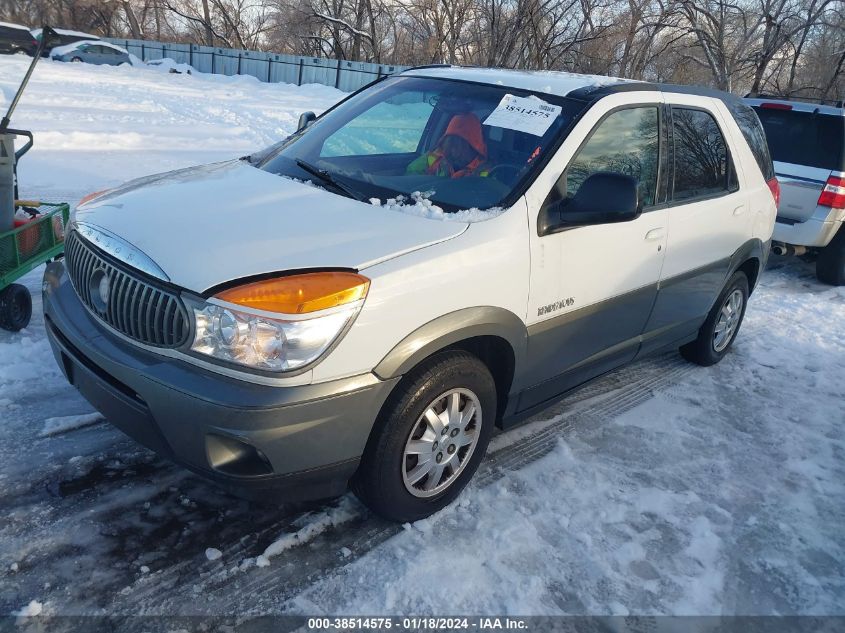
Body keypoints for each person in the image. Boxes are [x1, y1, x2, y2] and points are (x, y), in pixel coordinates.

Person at [407, 113, 490, 178]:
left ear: (472, 146)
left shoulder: (483, 171)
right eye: (450, 143)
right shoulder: (433, 159)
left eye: (458, 145)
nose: (452, 150)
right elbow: (410, 178)